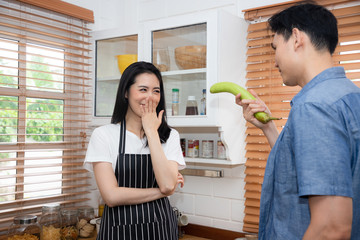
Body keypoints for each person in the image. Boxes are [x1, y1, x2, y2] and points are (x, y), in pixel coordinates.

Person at [236, 2, 360, 239]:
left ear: (296, 38)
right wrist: (269, 128)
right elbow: (302, 171)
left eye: (275, 47)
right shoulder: (350, 96)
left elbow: (331, 228)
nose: (274, 61)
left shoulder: (313, 106)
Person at [84, 61, 186, 239]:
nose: (150, 97)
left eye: (156, 91)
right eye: (143, 89)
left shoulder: (170, 136)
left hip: (161, 230)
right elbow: (111, 196)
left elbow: (168, 184)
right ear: (126, 92)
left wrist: (152, 131)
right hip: (119, 231)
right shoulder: (103, 135)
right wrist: (162, 191)